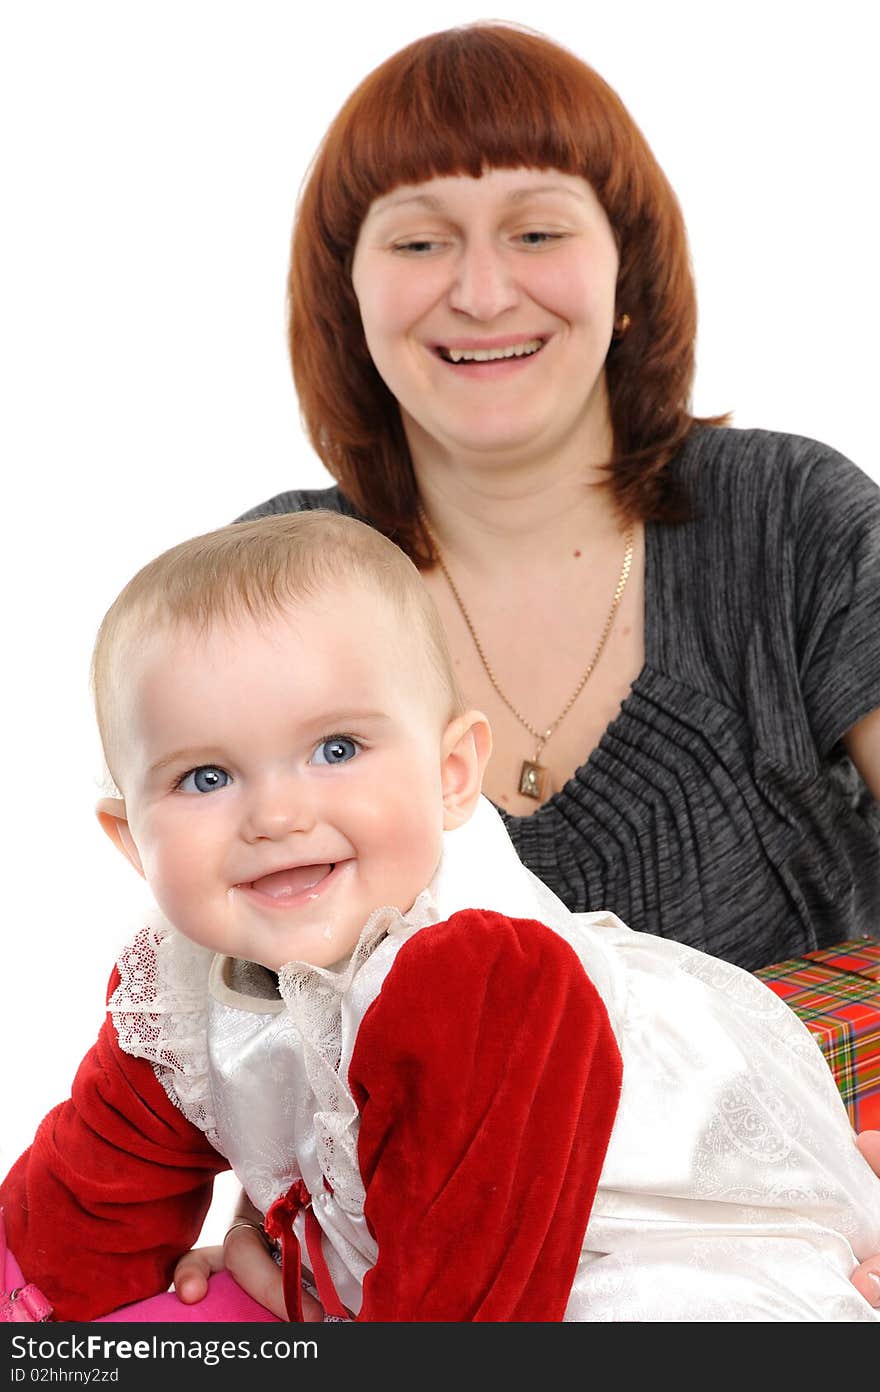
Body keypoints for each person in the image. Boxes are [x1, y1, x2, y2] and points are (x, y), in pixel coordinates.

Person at [170, 19, 880, 1312]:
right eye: (421, 238)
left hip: (817, 1212)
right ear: (351, 291)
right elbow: (225, 984)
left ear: (628, 271)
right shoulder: (282, 582)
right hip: (441, 1262)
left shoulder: (795, 519)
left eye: (539, 231)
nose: (483, 292)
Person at [2, 510, 880, 1323]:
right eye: (205, 778)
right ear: (131, 837)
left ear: (453, 771)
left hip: (634, 1238)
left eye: (335, 749)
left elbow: (468, 1314)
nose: (274, 816)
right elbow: (80, 1213)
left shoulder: (474, 984)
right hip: (427, 1248)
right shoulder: (173, 993)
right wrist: (60, 1310)